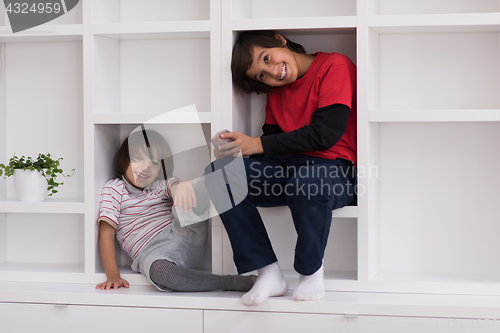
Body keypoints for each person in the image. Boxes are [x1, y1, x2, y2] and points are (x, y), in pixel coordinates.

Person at [205, 31, 357, 306]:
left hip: (334, 169)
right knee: (220, 173)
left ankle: (310, 272)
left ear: (279, 40)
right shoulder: (276, 94)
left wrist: (255, 145)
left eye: (266, 58)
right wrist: (236, 148)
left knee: (307, 182)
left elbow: (325, 134)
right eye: (261, 75)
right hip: (287, 170)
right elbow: (272, 148)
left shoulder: (335, 65)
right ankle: (268, 272)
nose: (272, 72)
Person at [96, 129, 255, 292]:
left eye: (155, 163)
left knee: (188, 192)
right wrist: (112, 275)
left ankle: (225, 164)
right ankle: (227, 283)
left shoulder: (158, 184)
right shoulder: (114, 188)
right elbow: (106, 233)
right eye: (138, 159)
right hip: (153, 254)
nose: (146, 167)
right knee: (160, 273)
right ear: (125, 159)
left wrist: (182, 185)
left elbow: (172, 186)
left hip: (184, 232)